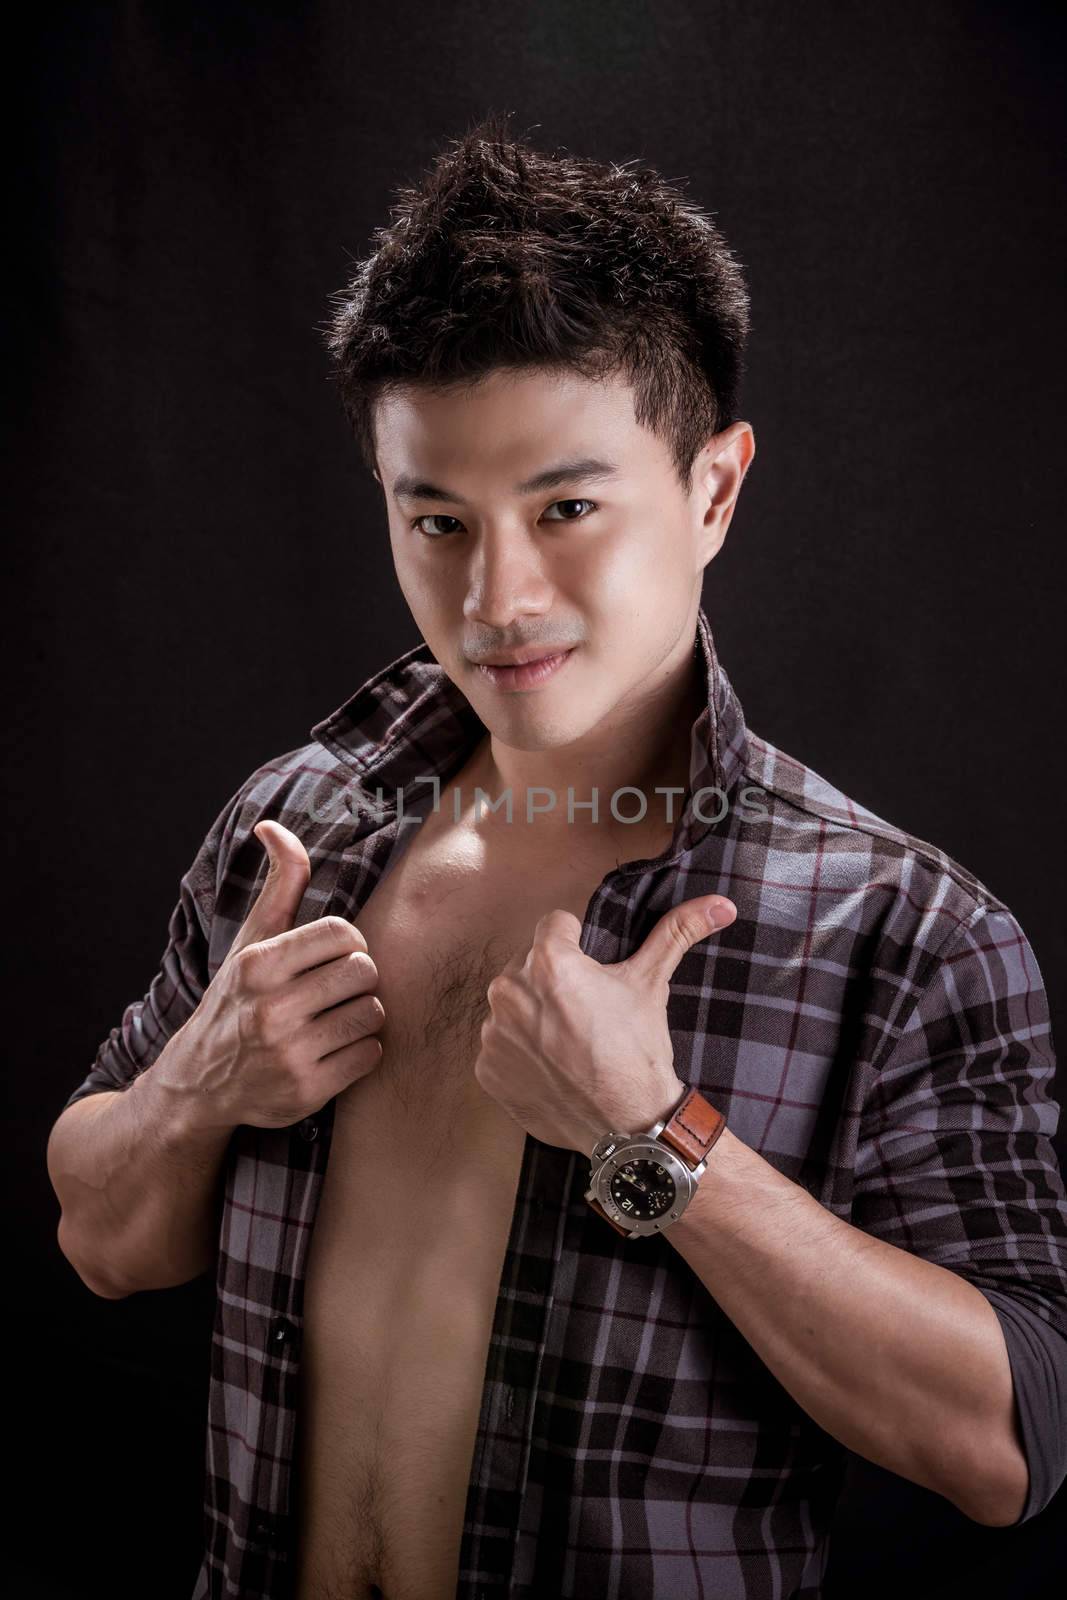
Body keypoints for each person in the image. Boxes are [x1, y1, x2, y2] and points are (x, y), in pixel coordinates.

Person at [47, 111, 1067, 1600]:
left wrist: (655, 1139)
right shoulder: (299, 829)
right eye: (438, 518)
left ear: (713, 489)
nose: (497, 595)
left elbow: (1012, 1446)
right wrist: (203, 1083)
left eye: (568, 508)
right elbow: (102, 1239)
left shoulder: (902, 928)